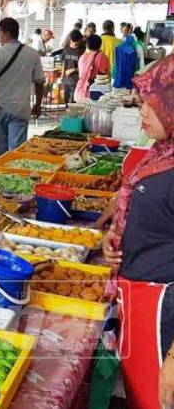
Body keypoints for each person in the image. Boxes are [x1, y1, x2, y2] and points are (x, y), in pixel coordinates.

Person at [101, 55, 174, 409]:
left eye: (152, 102)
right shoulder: (162, 154)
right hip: (140, 300)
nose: (141, 109)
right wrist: (114, 239)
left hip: (166, 312)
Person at [0, 18, 45, 158]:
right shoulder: (32, 54)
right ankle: (15, 173)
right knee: (16, 151)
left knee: (1, 149)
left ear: (7, 34)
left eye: (0, 32)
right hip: (21, 108)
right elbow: (40, 82)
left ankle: (0, 176)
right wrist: (38, 104)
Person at [74, 34, 110, 102]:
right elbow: (105, 74)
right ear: (100, 44)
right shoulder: (101, 56)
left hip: (79, 92)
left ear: (87, 45)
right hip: (93, 92)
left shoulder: (83, 57)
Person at [61, 30, 85, 103]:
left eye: (77, 41)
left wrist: (73, 69)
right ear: (70, 40)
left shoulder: (82, 50)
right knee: (66, 100)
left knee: (73, 101)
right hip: (66, 80)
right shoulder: (66, 49)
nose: (75, 43)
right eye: (74, 41)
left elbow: (84, 67)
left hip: (77, 80)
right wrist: (62, 74)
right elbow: (64, 62)